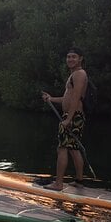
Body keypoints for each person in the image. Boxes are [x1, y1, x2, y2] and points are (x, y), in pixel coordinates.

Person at [41, 46, 88, 190]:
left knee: (62, 148)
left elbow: (76, 98)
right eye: (68, 57)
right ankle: (79, 181)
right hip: (73, 116)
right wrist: (51, 99)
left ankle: (58, 183)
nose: (70, 59)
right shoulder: (74, 75)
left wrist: (69, 118)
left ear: (80, 59)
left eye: (74, 56)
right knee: (73, 149)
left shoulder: (79, 74)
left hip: (73, 116)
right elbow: (67, 98)